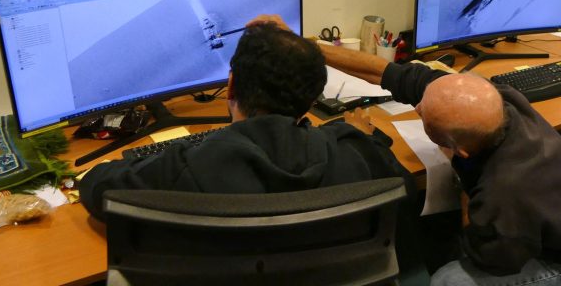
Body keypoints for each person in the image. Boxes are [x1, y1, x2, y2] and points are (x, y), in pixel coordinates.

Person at [253, 15, 561, 285]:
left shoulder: (502, 194)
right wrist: (303, 45)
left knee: (452, 278)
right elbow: (386, 74)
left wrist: (464, 186)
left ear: (459, 150)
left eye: (423, 117)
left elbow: (490, 258)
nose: (416, 107)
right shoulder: (498, 100)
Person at [79, 22, 413, 223]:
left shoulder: (188, 165)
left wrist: (161, 155)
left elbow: (95, 187)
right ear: (313, 101)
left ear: (232, 85)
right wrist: (359, 139)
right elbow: (407, 194)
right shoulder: (354, 152)